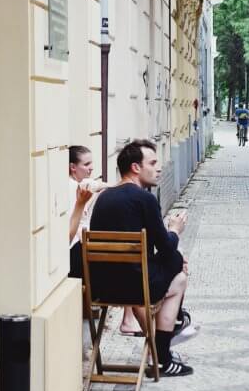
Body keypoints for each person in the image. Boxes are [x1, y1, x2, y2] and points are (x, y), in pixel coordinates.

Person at [89, 139, 194, 378]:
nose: (159, 168)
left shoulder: (104, 198)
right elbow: (165, 247)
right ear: (136, 167)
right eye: (153, 163)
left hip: (101, 289)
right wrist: (175, 229)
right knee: (177, 267)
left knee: (175, 266)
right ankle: (165, 353)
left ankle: (176, 327)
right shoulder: (144, 199)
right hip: (137, 289)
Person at [68, 146, 109, 280]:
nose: (91, 168)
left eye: (91, 163)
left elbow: (96, 185)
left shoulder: (79, 184)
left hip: (79, 246)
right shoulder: (72, 186)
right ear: (73, 167)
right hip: (75, 250)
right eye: (86, 164)